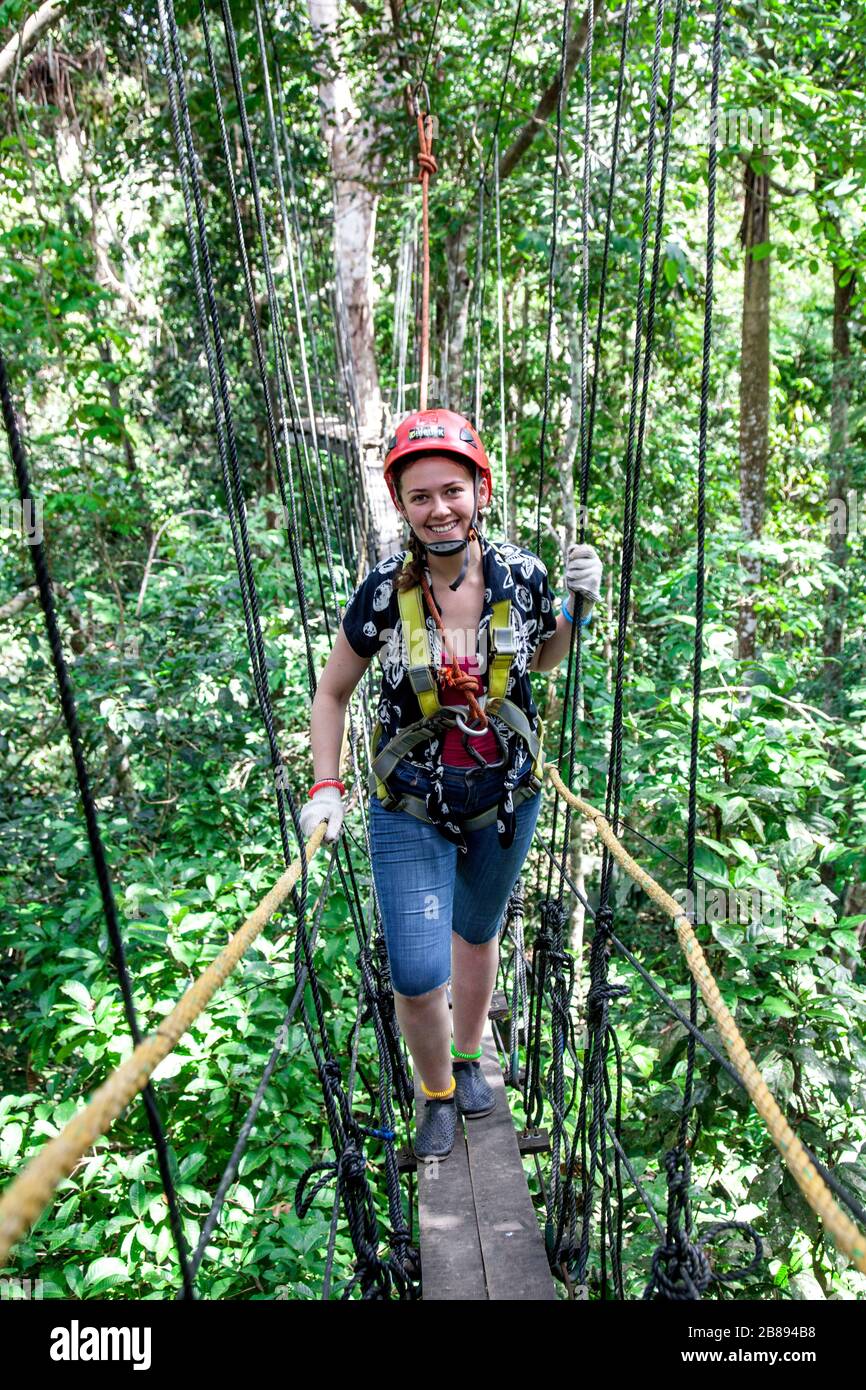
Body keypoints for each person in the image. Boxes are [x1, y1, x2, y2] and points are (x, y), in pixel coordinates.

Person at [299, 408, 602, 1160]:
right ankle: (434, 1091)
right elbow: (332, 691)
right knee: (416, 967)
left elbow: (550, 657)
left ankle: (469, 1058)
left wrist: (579, 608)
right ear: (401, 506)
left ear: (481, 492)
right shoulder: (381, 595)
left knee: (476, 933)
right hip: (410, 801)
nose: (439, 509)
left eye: (453, 491)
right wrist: (326, 786)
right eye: (420, 495)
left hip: (506, 796)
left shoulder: (522, 576)